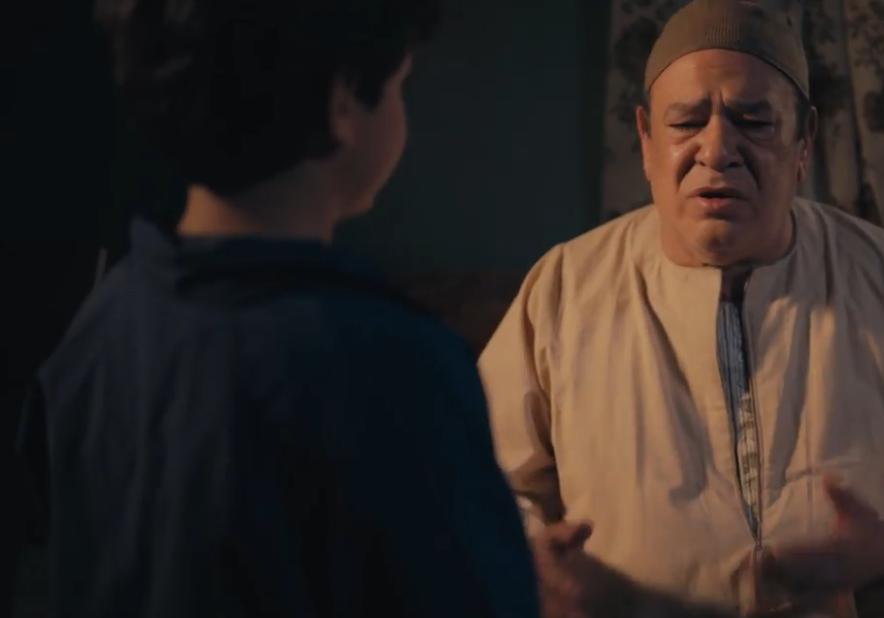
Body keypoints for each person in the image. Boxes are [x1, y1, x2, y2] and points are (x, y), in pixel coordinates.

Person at [478, 1, 884, 616]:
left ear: (804, 141)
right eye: (686, 121)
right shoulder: (564, 289)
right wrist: (531, 560)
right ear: (646, 141)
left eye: (754, 121)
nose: (717, 149)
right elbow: (477, 477)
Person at [16, 1, 538, 616]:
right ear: (343, 103)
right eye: (401, 85)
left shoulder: (103, 322)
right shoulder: (392, 364)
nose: (404, 109)